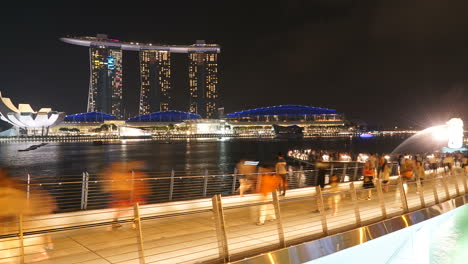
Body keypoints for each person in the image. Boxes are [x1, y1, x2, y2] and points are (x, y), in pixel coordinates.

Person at [104, 161, 149, 229]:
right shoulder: (122, 175)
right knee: (130, 209)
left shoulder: (120, 175)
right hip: (128, 195)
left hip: (127, 195)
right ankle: (132, 223)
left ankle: (116, 222)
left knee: (125, 209)